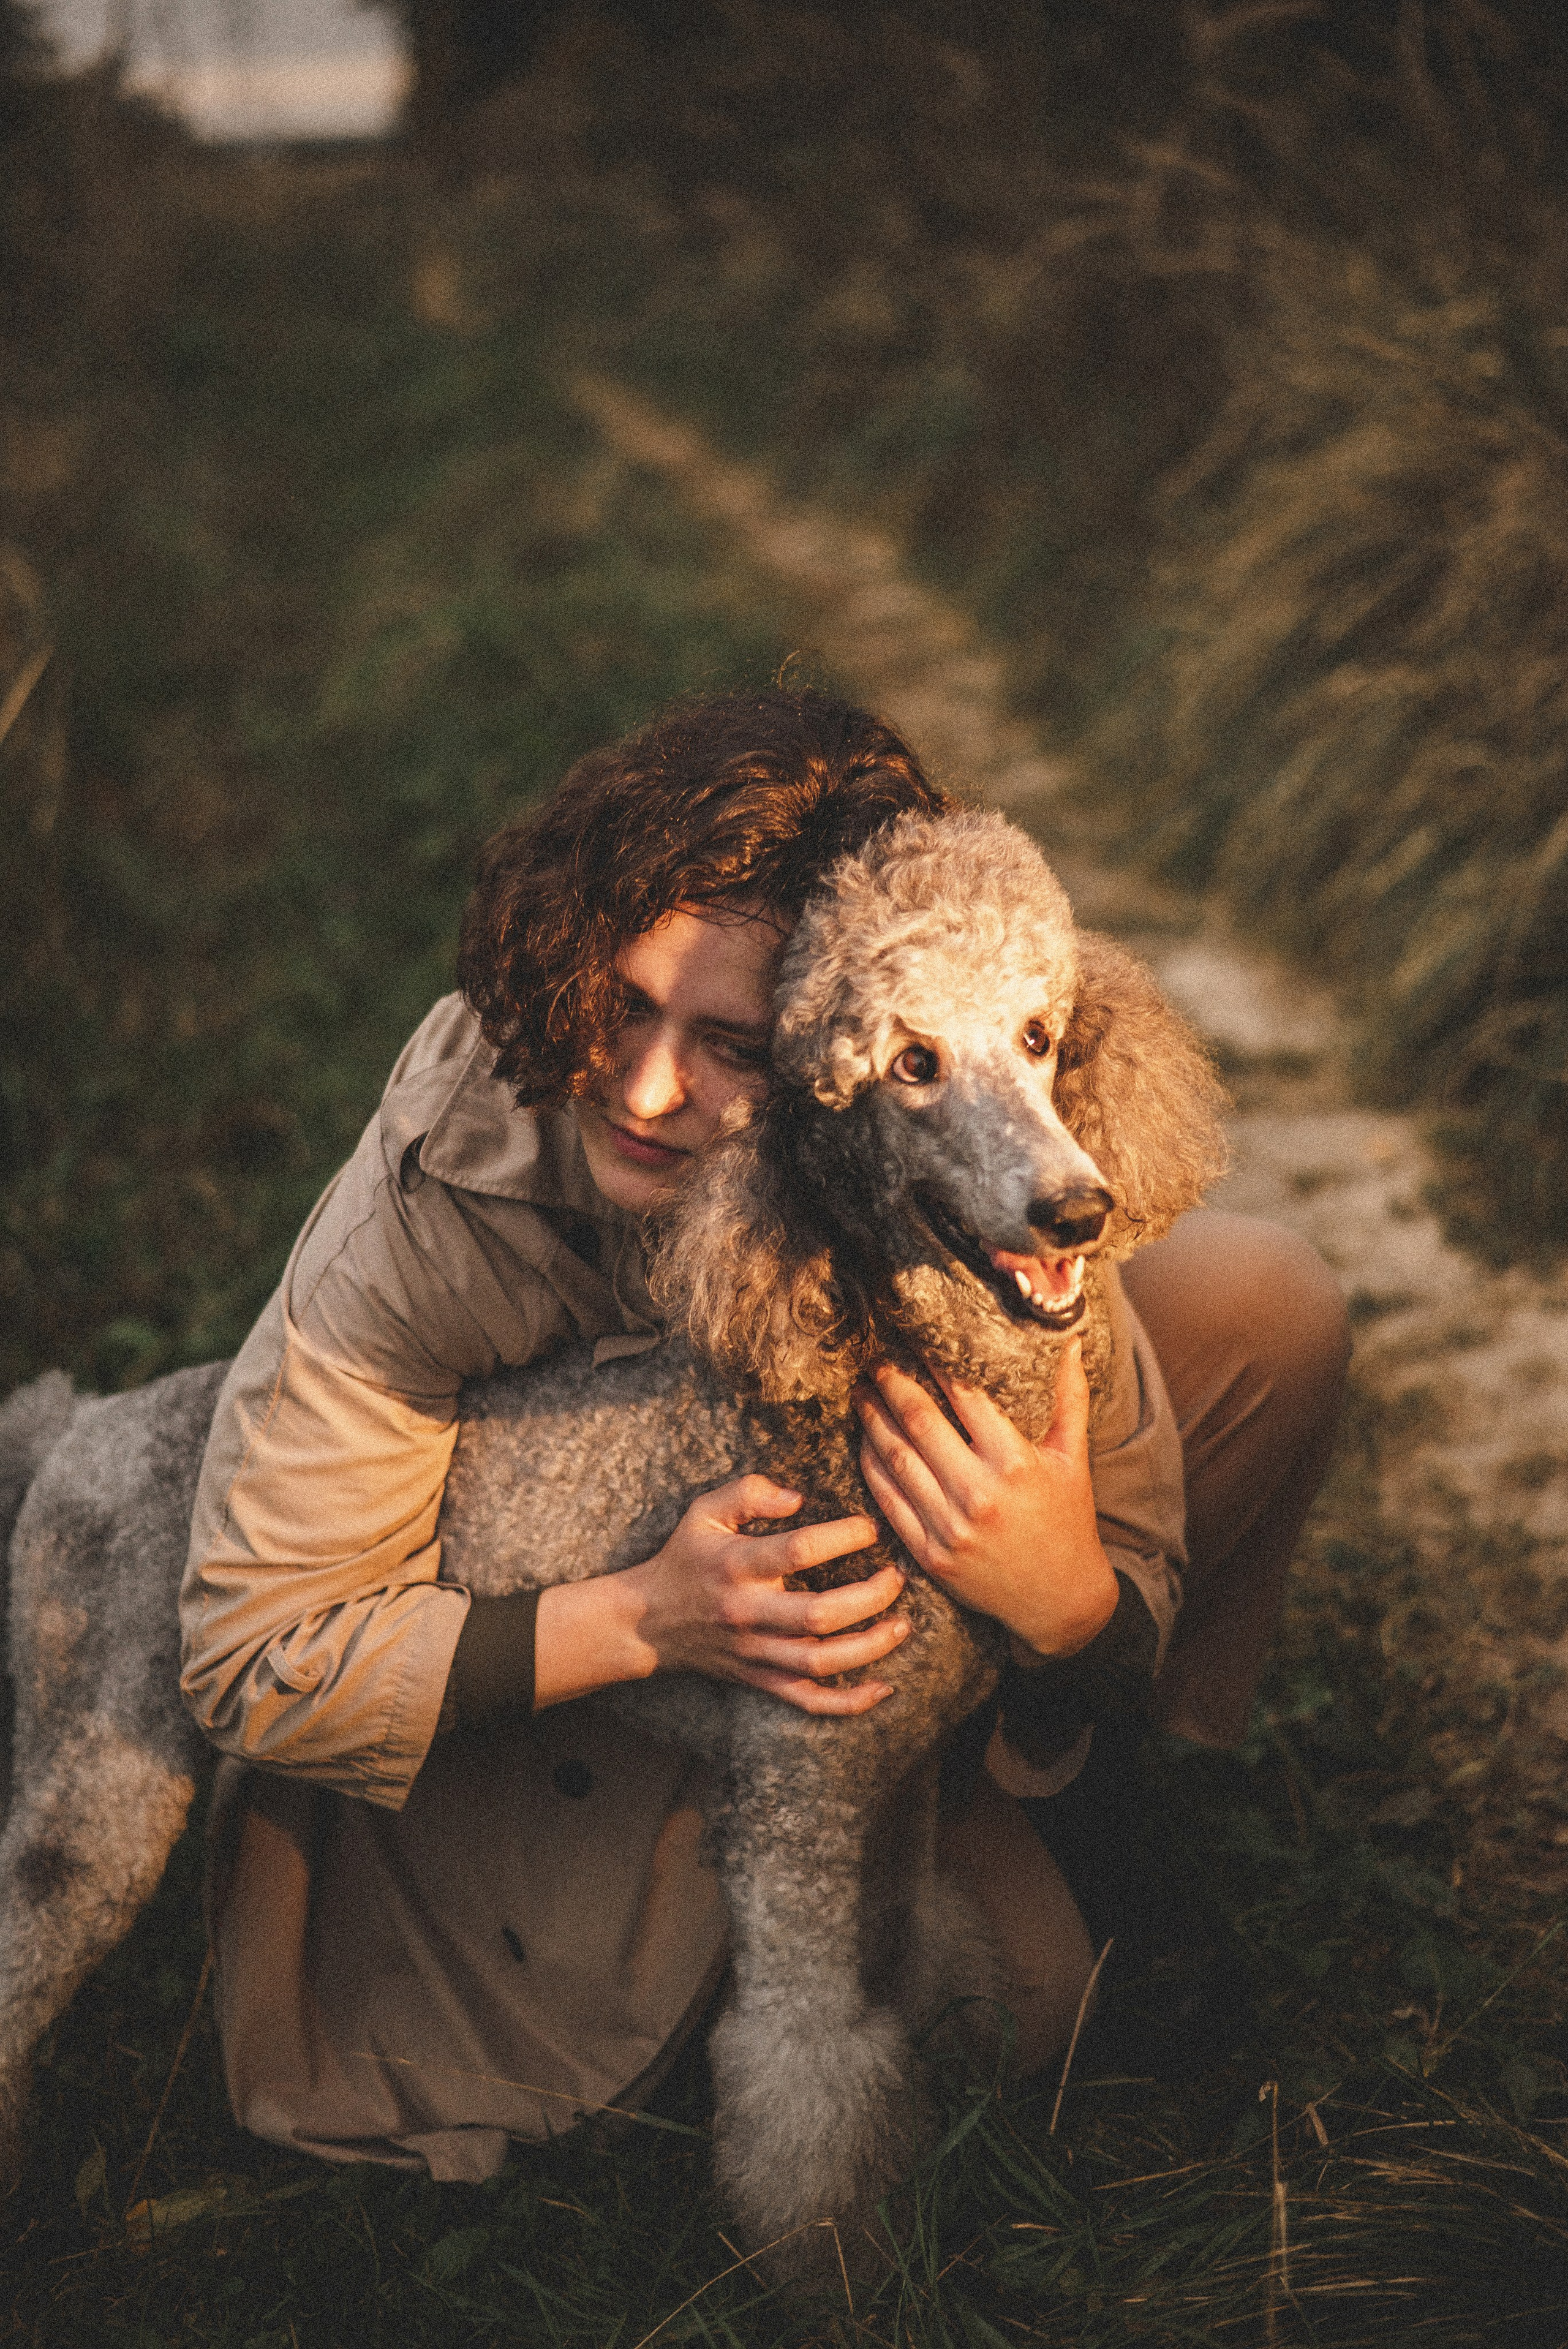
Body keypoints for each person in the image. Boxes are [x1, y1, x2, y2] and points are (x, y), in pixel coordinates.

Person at [180, 688, 1349, 2184]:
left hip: (867, 1628)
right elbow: (248, 1653)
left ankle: (1080, 1776)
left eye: (729, 1043)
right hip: (565, 1718)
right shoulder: (439, 1188)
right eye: (621, 1000)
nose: (647, 1089)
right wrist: (643, 1619)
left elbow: (1119, 1522)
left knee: (1264, 1303)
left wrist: (1068, 1601)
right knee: (1026, 2010)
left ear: (832, 1041)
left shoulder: (936, 1110)